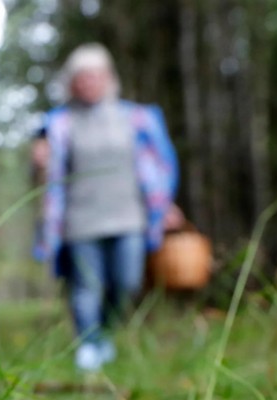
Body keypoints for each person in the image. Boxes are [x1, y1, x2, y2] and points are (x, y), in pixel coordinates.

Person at [34, 43, 180, 372]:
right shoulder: (58, 123)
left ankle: (105, 335)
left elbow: (158, 167)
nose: (89, 83)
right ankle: (87, 343)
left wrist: (167, 205)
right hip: (79, 219)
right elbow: (42, 173)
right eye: (82, 77)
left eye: (95, 76)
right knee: (87, 286)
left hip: (129, 216)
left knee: (126, 282)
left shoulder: (137, 118)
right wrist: (39, 161)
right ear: (71, 82)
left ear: (109, 78)